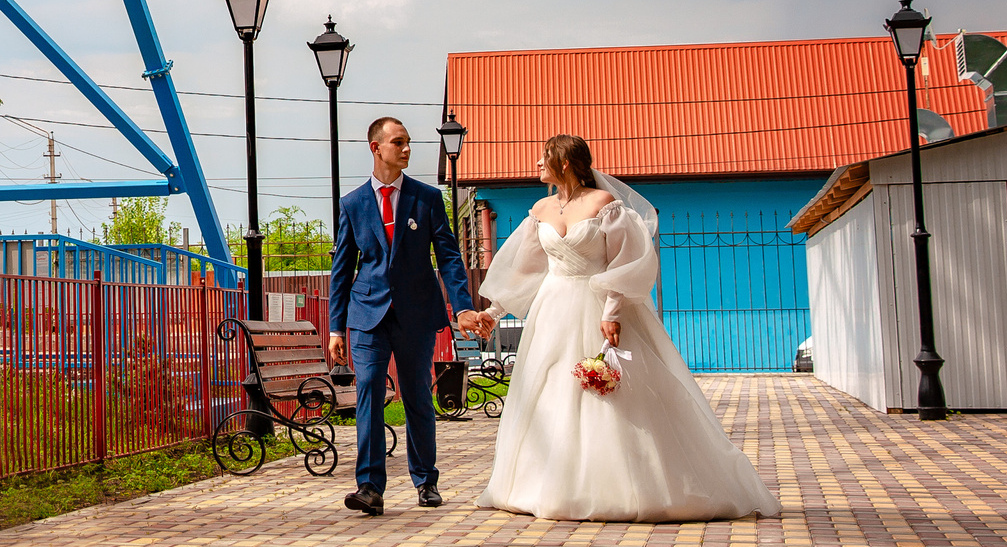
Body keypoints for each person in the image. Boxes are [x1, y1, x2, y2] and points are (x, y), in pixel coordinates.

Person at [461, 135, 778, 521]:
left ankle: (624, 486)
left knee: (608, 394)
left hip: (597, 305)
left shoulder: (605, 206)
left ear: (564, 163)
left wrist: (611, 310)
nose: (537, 166)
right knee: (548, 391)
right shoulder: (540, 210)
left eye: (544, 158)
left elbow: (628, 261)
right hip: (552, 310)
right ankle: (546, 483)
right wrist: (494, 310)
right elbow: (527, 269)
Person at [327, 117, 482, 515]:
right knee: (369, 393)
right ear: (376, 148)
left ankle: (425, 481)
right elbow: (342, 269)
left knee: (417, 398)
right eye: (399, 143)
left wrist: (463, 305)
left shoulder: (426, 199)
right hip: (367, 316)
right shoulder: (353, 204)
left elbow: (448, 256)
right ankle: (369, 487)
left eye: (409, 142)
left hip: (415, 313)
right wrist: (335, 328)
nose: (408, 149)